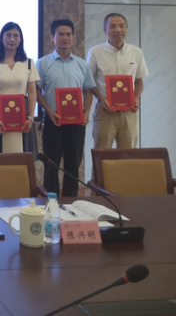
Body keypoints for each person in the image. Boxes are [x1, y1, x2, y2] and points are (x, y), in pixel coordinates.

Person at [35, 19, 96, 197]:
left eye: (68, 34)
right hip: (53, 121)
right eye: (60, 34)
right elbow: (36, 90)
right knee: (51, 165)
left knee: (73, 165)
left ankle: (71, 202)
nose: (65, 38)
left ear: (73, 37)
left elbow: (88, 90)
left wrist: (86, 113)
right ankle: (50, 202)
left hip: (76, 123)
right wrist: (48, 111)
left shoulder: (81, 64)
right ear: (52, 37)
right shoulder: (43, 63)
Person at [87, 13, 149, 149]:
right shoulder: (95, 52)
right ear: (105, 30)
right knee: (102, 154)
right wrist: (101, 99)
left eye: (121, 26)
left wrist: (135, 98)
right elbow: (88, 82)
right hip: (105, 111)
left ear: (126, 28)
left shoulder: (136, 52)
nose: (118, 30)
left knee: (128, 154)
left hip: (129, 112)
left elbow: (139, 81)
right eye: (112, 26)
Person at [0, 22, 39, 154]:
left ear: (21, 39)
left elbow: (32, 92)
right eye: (8, 35)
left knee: (22, 157)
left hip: (23, 116)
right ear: (1, 38)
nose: (12, 39)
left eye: (16, 36)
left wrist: (31, 117)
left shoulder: (28, 63)